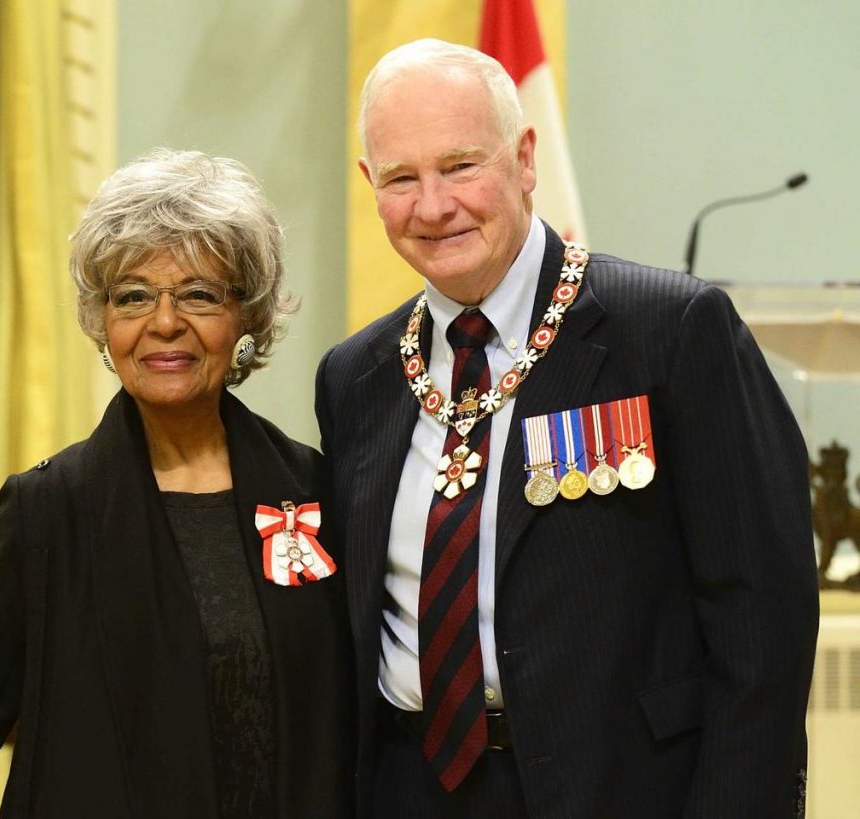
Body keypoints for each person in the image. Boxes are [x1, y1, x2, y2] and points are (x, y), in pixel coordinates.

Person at [315, 38, 818, 818]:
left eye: (459, 166)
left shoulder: (670, 331)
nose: (434, 205)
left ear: (523, 158)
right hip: (408, 787)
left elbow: (764, 620)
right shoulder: (354, 378)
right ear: (368, 186)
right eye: (401, 178)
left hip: (623, 788)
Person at [0, 148, 353, 817]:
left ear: (245, 319)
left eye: (198, 293)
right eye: (133, 295)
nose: (164, 322)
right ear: (103, 324)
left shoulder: (317, 489)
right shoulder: (49, 510)